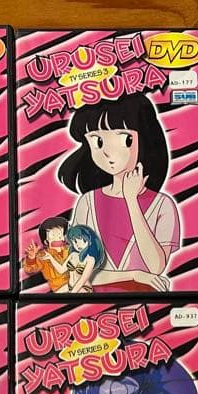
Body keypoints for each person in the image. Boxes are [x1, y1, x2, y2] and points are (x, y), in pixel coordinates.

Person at [61, 94, 177, 292]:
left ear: (145, 138)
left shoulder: (162, 204)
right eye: (98, 141)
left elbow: (155, 267)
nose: (108, 152)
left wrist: (131, 200)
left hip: (148, 304)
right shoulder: (87, 202)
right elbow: (78, 271)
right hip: (93, 303)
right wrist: (133, 275)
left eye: (125, 139)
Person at [22, 216, 71, 292]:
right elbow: (30, 269)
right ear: (45, 241)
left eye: (59, 233)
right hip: (60, 289)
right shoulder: (43, 255)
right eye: (53, 235)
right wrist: (31, 258)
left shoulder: (71, 249)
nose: (57, 237)